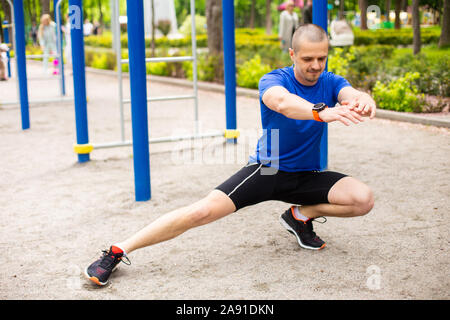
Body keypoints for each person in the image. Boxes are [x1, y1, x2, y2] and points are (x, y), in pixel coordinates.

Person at [84, 24, 377, 286]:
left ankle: (299, 216)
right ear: (292, 54)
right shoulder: (274, 80)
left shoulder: (331, 80)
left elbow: (352, 94)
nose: (315, 65)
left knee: (363, 199)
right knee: (200, 212)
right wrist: (321, 112)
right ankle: (118, 250)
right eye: (307, 59)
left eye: (321, 58)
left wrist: (363, 101)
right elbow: (284, 103)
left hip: (307, 175)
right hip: (268, 170)